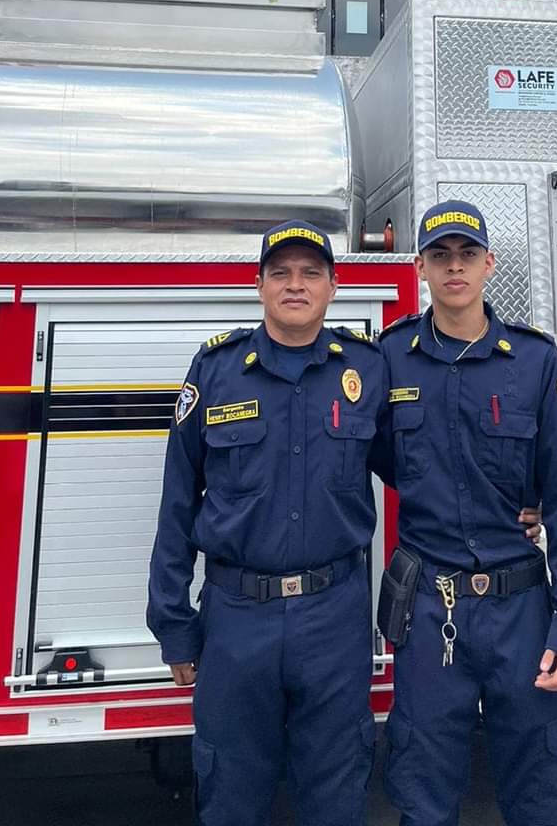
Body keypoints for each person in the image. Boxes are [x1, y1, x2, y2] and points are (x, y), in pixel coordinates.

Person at [146, 221, 382, 826]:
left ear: (334, 287)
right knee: (230, 792)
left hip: (335, 618)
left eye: (310, 273)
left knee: (335, 793)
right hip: (235, 620)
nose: (295, 285)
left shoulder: (367, 371)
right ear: (258, 286)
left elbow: (425, 465)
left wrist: (515, 506)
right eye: (281, 273)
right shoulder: (217, 370)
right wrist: (173, 623)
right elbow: (178, 500)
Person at [377, 200, 557, 826]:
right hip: (430, 612)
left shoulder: (532, 360)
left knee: (535, 790)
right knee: (422, 792)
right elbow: (372, 455)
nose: (455, 268)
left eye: (467, 255)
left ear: (488, 264)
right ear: (421, 266)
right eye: (441, 256)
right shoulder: (389, 359)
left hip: (521, 611)